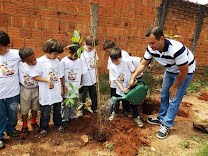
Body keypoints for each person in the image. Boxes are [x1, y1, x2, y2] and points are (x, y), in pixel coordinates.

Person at [129, 26, 196, 139]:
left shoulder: (176, 49)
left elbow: (184, 71)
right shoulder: (151, 48)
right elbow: (143, 63)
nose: (151, 46)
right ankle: (161, 117)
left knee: (173, 98)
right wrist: (133, 77)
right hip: (170, 70)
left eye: (153, 43)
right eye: (149, 43)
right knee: (164, 94)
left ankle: (166, 124)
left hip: (185, 72)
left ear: (162, 39)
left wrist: (175, 86)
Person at [31, 39, 65, 137]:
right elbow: (35, 76)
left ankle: (58, 124)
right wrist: (47, 81)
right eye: (55, 54)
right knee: (45, 112)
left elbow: (61, 75)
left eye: (58, 54)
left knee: (57, 110)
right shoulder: (40, 61)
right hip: (46, 93)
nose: (57, 56)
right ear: (48, 51)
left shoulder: (57, 61)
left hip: (56, 92)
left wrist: (63, 87)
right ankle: (44, 128)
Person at [108, 47, 144, 127]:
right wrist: (122, 88)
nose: (115, 62)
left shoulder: (127, 62)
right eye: (113, 61)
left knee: (133, 102)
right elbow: (116, 80)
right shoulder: (112, 66)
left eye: (116, 60)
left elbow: (133, 71)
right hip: (120, 88)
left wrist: (132, 80)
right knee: (116, 101)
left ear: (120, 57)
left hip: (129, 86)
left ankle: (136, 117)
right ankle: (115, 112)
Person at [0, 31, 20, 149]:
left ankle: (11, 129)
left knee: (12, 114)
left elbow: (29, 62)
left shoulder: (16, 55)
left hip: (12, 93)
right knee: (0, 115)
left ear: (8, 46)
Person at [61, 43, 87, 125]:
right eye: (75, 55)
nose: (77, 57)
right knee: (66, 104)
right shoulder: (64, 62)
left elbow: (82, 73)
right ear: (69, 52)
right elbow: (61, 76)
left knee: (74, 103)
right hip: (67, 87)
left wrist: (80, 85)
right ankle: (64, 118)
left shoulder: (80, 61)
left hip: (76, 87)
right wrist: (63, 86)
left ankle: (72, 116)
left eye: (78, 56)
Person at [103, 40, 131, 116]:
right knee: (114, 95)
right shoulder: (111, 56)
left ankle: (126, 110)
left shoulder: (124, 54)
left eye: (109, 51)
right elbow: (110, 68)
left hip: (124, 79)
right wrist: (110, 78)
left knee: (125, 95)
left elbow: (130, 65)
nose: (109, 53)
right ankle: (115, 110)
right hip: (115, 79)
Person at [18, 47, 40, 139]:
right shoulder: (19, 64)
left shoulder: (39, 62)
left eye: (34, 59)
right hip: (25, 89)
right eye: (30, 61)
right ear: (23, 61)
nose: (33, 62)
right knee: (24, 109)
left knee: (35, 107)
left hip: (36, 88)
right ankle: (24, 125)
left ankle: (34, 122)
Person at [79, 35, 99, 115]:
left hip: (93, 79)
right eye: (89, 48)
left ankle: (94, 108)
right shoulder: (81, 52)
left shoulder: (94, 52)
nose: (91, 49)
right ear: (84, 44)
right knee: (82, 96)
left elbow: (96, 63)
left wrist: (96, 75)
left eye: (93, 48)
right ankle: (80, 109)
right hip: (84, 79)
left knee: (93, 95)